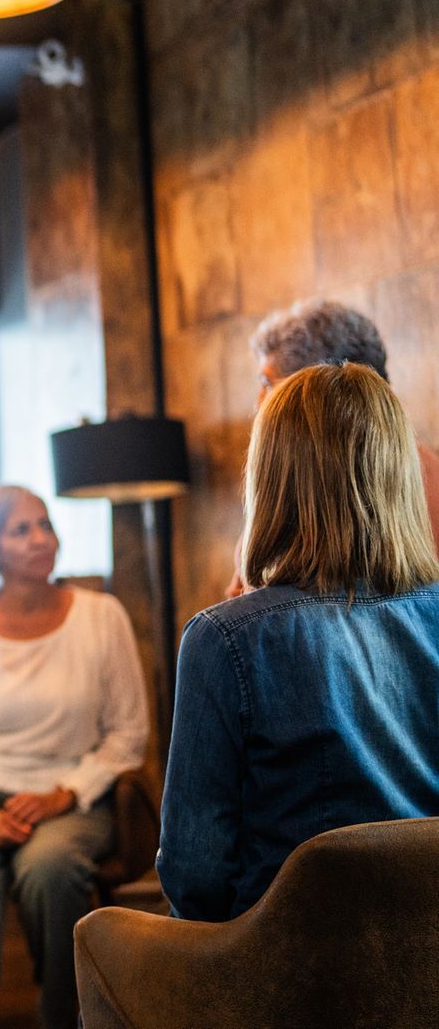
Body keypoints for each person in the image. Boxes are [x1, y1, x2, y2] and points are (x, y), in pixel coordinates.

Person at [159, 362, 439, 922]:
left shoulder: (226, 638)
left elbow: (195, 875)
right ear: (398, 474)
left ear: (271, 480)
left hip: (289, 963)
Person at [0, 485, 149, 1029]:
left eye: (46, 525)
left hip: (70, 797)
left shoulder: (102, 616)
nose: (43, 539)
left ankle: (63, 1018)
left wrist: (62, 796)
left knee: (50, 866)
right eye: (22, 530)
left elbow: (128, 735)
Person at [229, 298, 439, 595]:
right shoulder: (415, 467)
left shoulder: (327, 485)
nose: (259, 401)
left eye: (267, 382)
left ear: (318, 385)